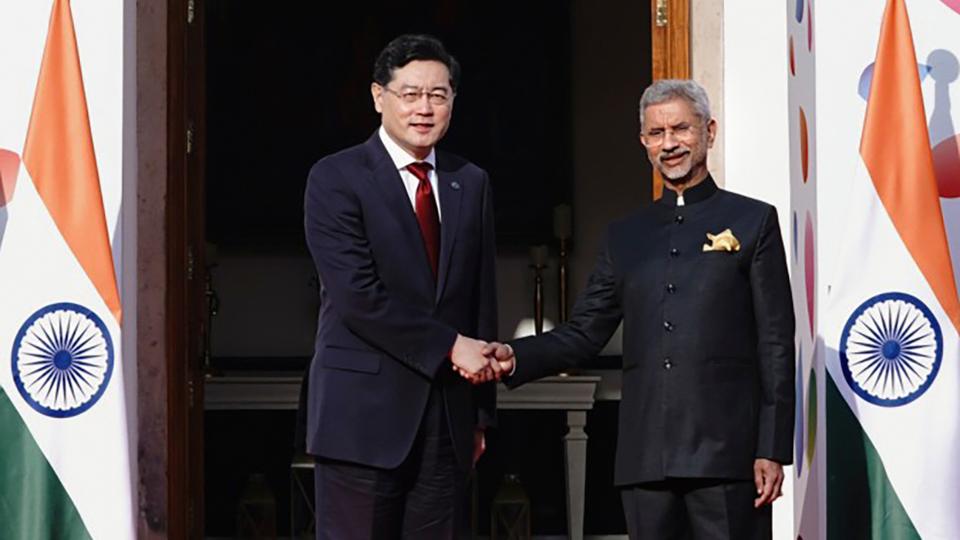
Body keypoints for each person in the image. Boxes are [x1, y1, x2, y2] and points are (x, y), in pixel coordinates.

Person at [485, 79, 795, 539]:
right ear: (644, 142)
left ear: (709, 131)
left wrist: (771, 448)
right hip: (644, 458)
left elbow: (775, 343)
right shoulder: (625, 235)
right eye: (656, 133)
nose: (669, 144)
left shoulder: (754, 221)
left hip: (728, 457)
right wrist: (515, 356)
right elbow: (586, 332)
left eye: (681, 129)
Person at [303, 34, 498, 539]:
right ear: (378, 96)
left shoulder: (469, 181)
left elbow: (480, 298)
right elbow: (357, 297)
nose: (425, 108)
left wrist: (479, 415)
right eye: (411, 94)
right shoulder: (336, 178)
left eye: (438, 95)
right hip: (361, 421)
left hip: (446, 422)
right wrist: (450, 345)